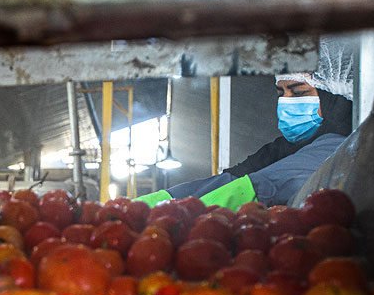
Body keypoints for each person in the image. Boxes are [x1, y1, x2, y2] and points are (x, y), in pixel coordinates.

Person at [137, 37, 354, 210]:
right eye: (281, 93)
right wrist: (146, 205)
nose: (287, 101)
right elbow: (229, 179)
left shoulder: (342, 145)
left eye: (298, 92)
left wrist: (178, 218)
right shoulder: (283, 150)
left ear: (333, 95)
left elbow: (263, 185)